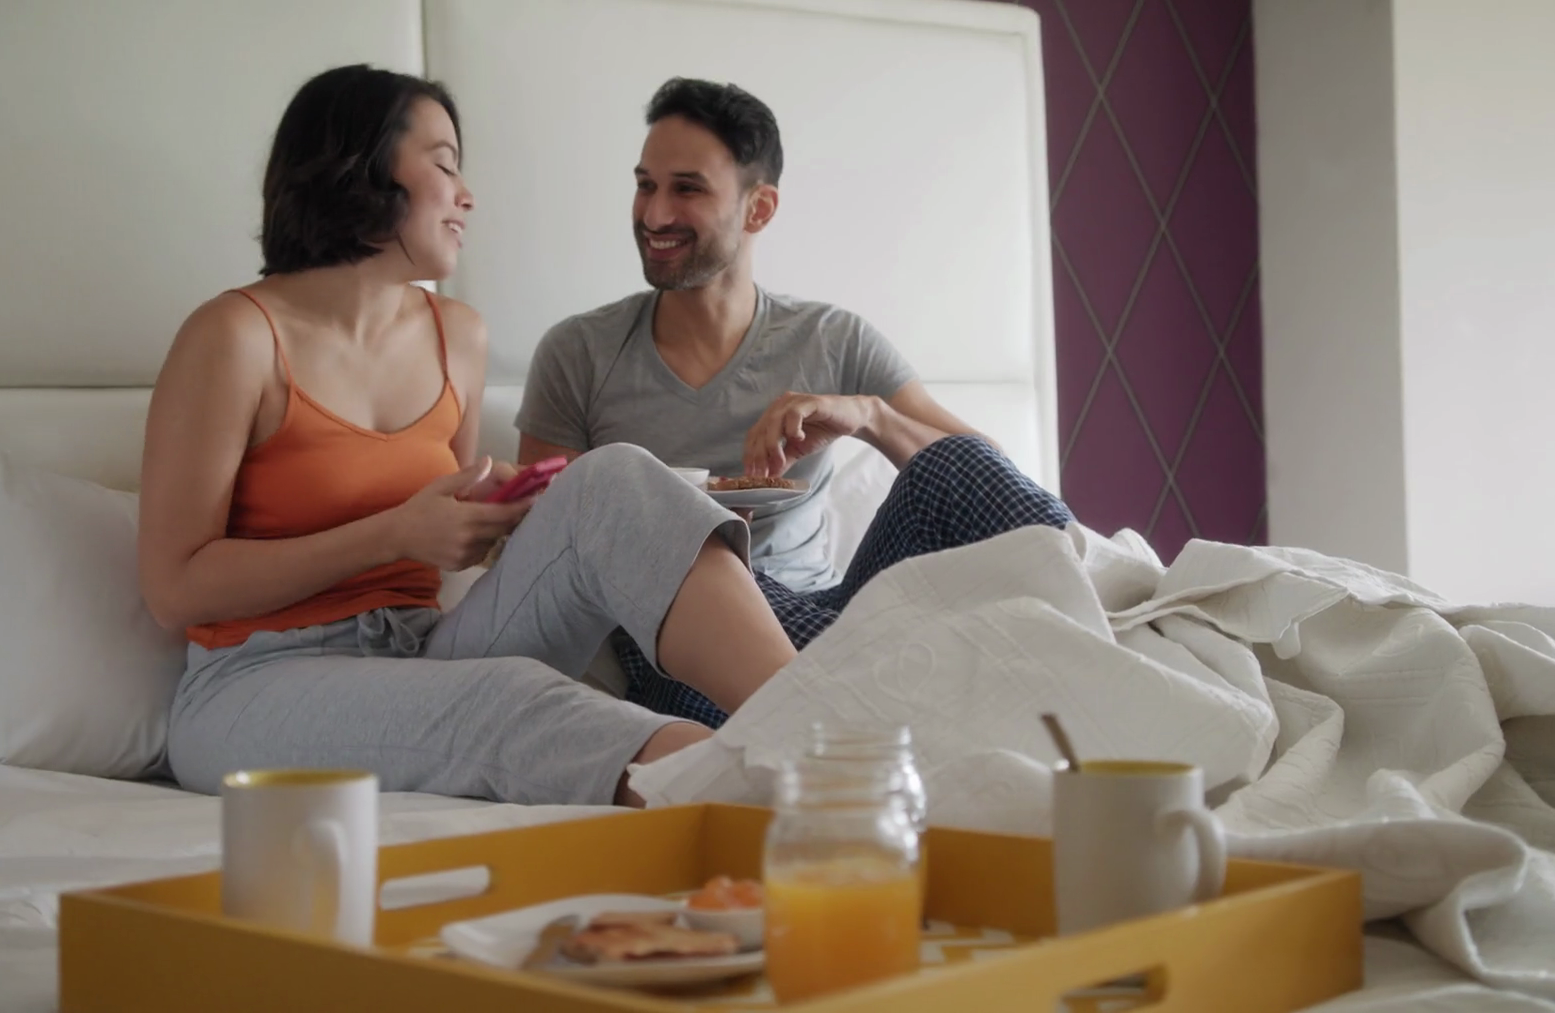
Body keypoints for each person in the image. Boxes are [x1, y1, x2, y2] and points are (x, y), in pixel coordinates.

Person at [136, 65, 798, 808]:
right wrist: (395, 532)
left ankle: (822, 728)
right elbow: (174, 588)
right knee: (510, 698)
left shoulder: (458, 336)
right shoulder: (233, 336)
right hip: (252, 686)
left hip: (419, 649)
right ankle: (791, 796)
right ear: (361, 164)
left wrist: (495, 513)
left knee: (613, 478)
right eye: (445, 165)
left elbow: (460, 546)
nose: (467, 195)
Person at [516, 78, 1075, 728]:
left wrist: (870, 416)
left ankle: (1116, 619)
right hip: (685, 646)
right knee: (745, 598)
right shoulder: (578, 353)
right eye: (645, 185)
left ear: (759, 209)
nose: (654, 214)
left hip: (836, 614)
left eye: (686, 189)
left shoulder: (832, 339)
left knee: (955, 467)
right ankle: (912, 697)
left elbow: (985, 479)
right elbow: (547, 550)